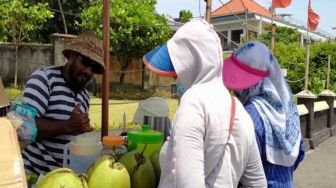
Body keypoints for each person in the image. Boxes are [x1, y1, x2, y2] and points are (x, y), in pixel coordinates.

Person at [143, 19, 266, 187]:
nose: (174, 76)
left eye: (178, 68)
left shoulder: (193, 104)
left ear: (192, 63)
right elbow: (258, 183)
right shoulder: (239, 110)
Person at [222, 41, 305, 188]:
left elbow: (236, 170)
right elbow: (299, 154)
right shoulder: (288, 110)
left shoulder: (250, 115)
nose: (234, 89)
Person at [21, 32, 105, 174]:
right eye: (85, 62)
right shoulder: (44, 79)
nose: (88, 72)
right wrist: (68, 126)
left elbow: (72, 136)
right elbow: (23, 128)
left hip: (65, 178)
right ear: (72, 55)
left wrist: (82, 132)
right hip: (36, 178)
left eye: (94, 68)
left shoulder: (84, 95)